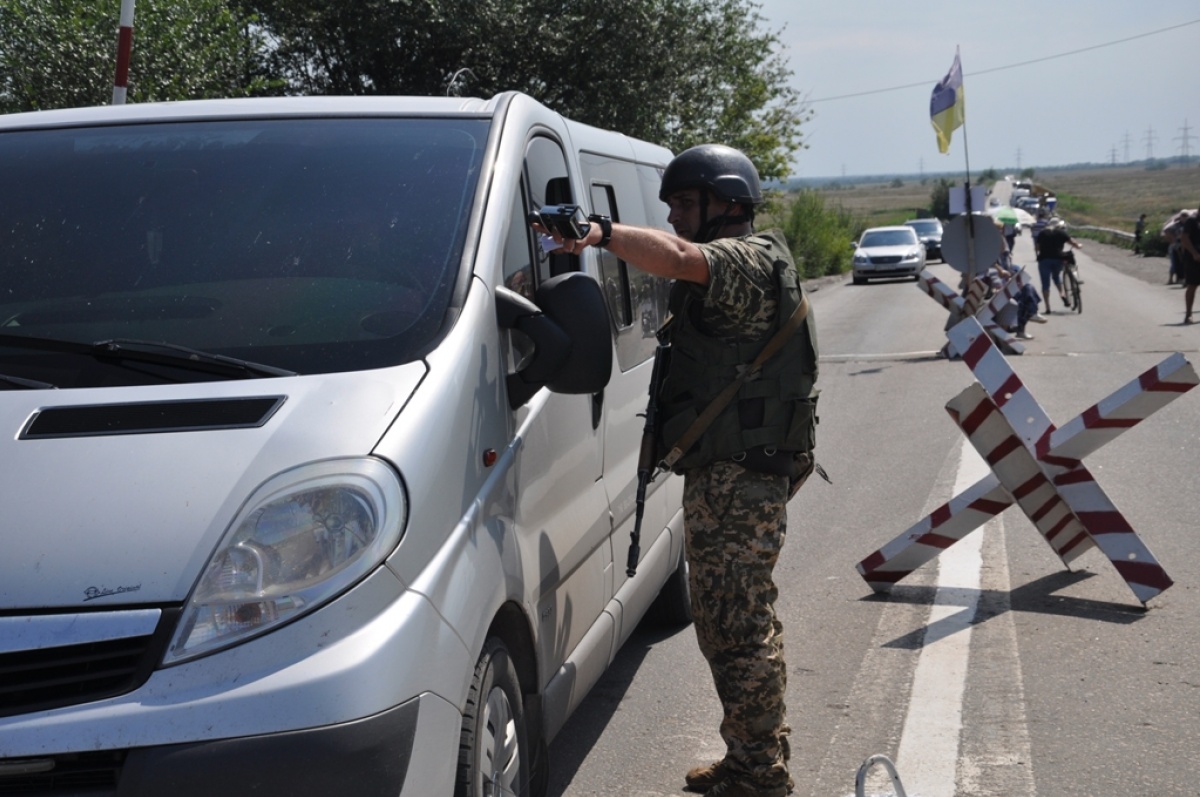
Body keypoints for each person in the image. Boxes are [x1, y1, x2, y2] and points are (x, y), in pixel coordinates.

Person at [533, 144, 818, 797]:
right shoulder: (737, 263)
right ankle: (749, 755)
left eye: (686, 204)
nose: (676, 217)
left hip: (742, 477)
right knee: (724, 619)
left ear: (727, 203)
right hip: (729, 472)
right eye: (671, 207)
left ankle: (761, 771)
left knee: (739, 622)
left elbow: (682, 258)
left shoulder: (744, 260)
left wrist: (597, 233)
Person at [1035, 217, 1081, 313]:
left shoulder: (1043, 233)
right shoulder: (1061, 233)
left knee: (1045, 284)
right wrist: (1078, 245)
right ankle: (1062, 294)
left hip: (1044, 260)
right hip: (1057, 259)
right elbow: (1072, 242)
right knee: (1056, 276)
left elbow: (1037, 247)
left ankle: (1048, 307)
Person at [1179, 209, 1200, 324]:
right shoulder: (1192, 221)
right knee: (1192, 285)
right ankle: (1188, 314)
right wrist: (1194, 253)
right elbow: (1184, 238)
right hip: (1193, 258)